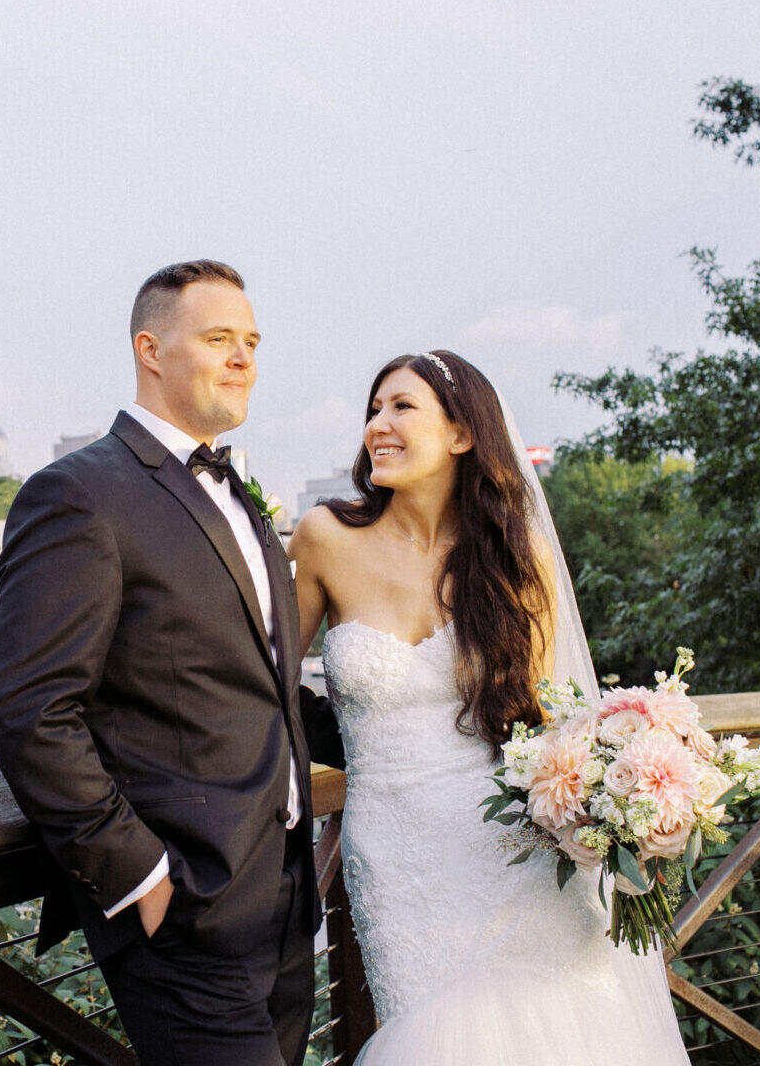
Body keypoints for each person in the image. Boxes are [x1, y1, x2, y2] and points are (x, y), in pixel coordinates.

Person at [0, 260, 344, 1066]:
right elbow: (30, 710)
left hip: (285, 901)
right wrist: (139, 875)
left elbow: (268, 687)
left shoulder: (242, 499)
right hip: (185, 912)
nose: (245, 357)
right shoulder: (78, 494)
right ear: (150, 349)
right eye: (220, 338)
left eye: (251, 341)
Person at [289, 350, 691, 1064]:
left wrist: (616, 809)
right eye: (373, 410)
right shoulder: (325, 539)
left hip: (512, 848)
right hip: (399, 855)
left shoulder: (515, 553)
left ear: (462, 434)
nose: (378, 424)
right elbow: (267, 683)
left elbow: (549, 719)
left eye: (401, 407)